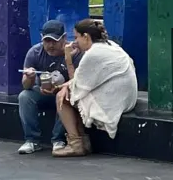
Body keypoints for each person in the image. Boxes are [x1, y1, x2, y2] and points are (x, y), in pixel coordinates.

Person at [52, 18, 139, 157]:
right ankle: (83, 142)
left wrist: (68, 61)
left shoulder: (93, 54)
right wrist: (67, 85)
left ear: (86, 36)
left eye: (76, 37)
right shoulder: (111, 45)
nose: (75, 42)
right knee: (68, 92)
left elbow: (77, 86)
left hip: (113, 103)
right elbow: (79, 81)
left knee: (62, 97)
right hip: (127, 99)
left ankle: (76, 144)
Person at [17, 19, 82, 154]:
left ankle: (58, 139)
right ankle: (32, 140)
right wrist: (30, 78)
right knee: (25, 96)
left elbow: (78, 82)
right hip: (43, 92)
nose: (51, 45)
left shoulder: (75, 53)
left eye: (55, 41)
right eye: (47, 41)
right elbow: (25, 86)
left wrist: (61, 87)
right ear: (42, 39)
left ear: (64, 38)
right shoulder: (34, 52)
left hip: (65, 93)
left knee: (65, 95)